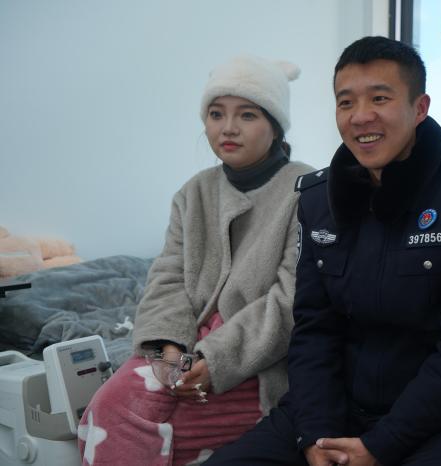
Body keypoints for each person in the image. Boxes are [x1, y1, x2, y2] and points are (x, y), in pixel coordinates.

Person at [205, 36, 441, 466]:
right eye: (346, 102)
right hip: (334, 407)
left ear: (420, 108)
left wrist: (382, 445)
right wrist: (317, 434)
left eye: (380, 98)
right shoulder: (318, 200)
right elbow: (313, 329)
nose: (360, 116)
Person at [77, 55, 314, 466]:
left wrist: (214, 360)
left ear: (275, 125)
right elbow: (167, 278)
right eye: (216, 114)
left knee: (145, 429)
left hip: (256, 360)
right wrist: (168, 351)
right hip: (183, 347)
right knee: (109, 407)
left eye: (247, 115)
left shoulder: (307, 190)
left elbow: (290, 301)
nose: (228, 128)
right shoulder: (193, 193)